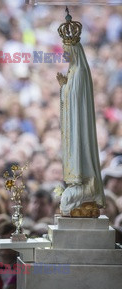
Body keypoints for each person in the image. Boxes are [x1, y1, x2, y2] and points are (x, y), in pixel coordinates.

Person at [56, 12, 106, 217]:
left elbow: (75, 98)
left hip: (79, 123)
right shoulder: (74, 71)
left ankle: (84, 185)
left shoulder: (80, 72)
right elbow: (71, 96)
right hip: (73, 121)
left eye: (68, 50)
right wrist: (64, 86)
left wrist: (64, 87)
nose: (66, 54)